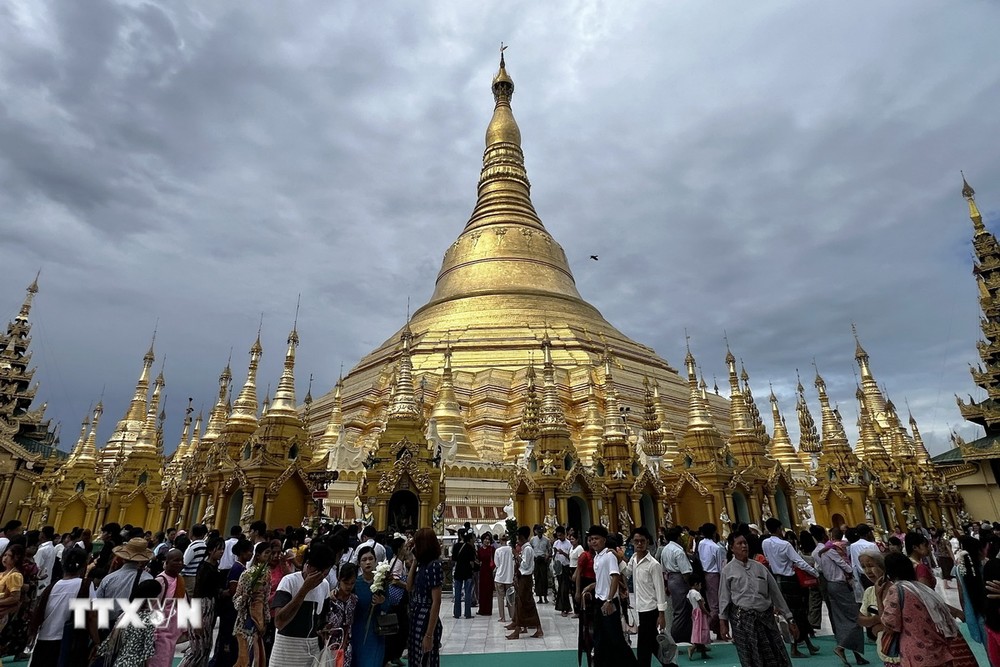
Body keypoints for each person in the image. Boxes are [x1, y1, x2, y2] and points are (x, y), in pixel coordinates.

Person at [878, 552, 977, 667]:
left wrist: (878, 596)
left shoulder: (896, 590)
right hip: (938, 651)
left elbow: (889, 626)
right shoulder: (922, 589)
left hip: (917, 654)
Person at [719, 533, 795, 667]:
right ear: (732, 548)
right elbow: (724, 598)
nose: (744, 546)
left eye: (745, 543)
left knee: (776, 654)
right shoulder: (727, 571)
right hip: (743, 622)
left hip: (766, 619)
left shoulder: (760, 568)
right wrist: (723, 623)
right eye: (739, 544)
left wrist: (789, 618)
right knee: (751, 658)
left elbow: (776, 594)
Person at [761, 518, 820, 657]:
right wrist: (815, 573)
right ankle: (794, 647)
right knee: (795, 613)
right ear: (778, 528)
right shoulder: (785, 545)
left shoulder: (765, 543)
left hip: (776, 579)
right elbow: (799, 561)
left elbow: (768, 559)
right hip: (790, 579)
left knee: (793, 612)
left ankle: (808, 643)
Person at [271, 542, 334, 666]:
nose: (321, 578)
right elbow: (279, 622)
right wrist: (304, 590)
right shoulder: (289, 582)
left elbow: (322, 619)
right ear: (308, 566)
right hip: (285, 652)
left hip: (311, 652)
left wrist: (325, 628)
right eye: (318, 572)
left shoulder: (325, 585)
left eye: (325, 574)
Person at [810, 525, 866, 665]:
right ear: (823, 535)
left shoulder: (815, 552)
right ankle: (841, 648)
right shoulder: (829, 550)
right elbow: (843, 564)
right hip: (840, 584)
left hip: (829, 585)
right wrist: (851, 571)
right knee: (855, 618)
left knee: (840, 620)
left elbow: (819, 569)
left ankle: (857, 655)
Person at [588, 524, 636, 666]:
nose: (593, 542)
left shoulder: (609, 556)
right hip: (599, 600)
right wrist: (591, 587)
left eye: (596, 539)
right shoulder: (596, 557)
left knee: (616, 638)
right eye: (591, 539)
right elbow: (603, 579)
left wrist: (609, 600)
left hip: (609, 602)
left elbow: (615, 577)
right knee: (600, 637)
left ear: (604, 540)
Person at [621, 526, 668, 667]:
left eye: (642, 541)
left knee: (643, 646)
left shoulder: (654, 565)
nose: (639, 544)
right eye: (636, 541)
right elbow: (628, 572)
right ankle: (669, 665)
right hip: (640, 607)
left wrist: (661, 614)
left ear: (648, 542)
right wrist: (617, 559)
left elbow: (660, 590)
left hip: (651, 608)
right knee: (652, 643)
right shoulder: (634, 559)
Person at [179, 535, 225, 667]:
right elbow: (198, 593)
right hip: (202, 607)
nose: (221, 552)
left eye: (223, 549)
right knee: (197, 650)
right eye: (218, 549)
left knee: (206, 647)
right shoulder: (204, 568)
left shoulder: (215, 567)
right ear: (210, 550)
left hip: (211, 608)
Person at [96, 579, 162, 667]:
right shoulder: (149, 618)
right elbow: (148, 650)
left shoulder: (125, 615)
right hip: (135, 663)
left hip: (120, 662)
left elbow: (107, 645)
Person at [212, 539, 253, 667]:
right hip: (231, 609)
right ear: (242, 552)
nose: (251, 554)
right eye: (249, 552)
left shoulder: (242, 567)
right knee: (228, 638)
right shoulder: (237, 568)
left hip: (235, 608)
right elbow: (233, 590)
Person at [406, 528, 443, 667]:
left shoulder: (434, 566)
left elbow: (436, 602)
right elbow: (409, 587)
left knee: (427, 659)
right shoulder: (422, 564)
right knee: (415, 658)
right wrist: (415, 562)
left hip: (427, 617)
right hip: (416, 616)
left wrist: (429, 635)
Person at [351, 546, 392, 667]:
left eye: (370, 559)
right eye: (364, 560)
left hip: (376, 632)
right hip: (357, 631)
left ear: (375, 561)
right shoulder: (355, 583)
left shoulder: (382, 583)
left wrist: (382, 601)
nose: (368, 562)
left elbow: (387, 607)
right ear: (359, 563)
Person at [234, 541, 272, 667]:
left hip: (259, 622)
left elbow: (265, 600)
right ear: (258, 555)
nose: (269, 556)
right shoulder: (247, 574)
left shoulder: (267, 575)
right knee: (244, 659)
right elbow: (236, 599)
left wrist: (265, 620)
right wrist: (245, 597)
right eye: (266, 553)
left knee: (257, 657)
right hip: (245, 621)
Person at [150, 548, 186, 667]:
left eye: (181, 560)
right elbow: (153, 608)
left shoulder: (179, 580)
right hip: (160, 633)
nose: (179, 563)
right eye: (176, 560)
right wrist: (153, 634)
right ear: (167, 562)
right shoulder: (161, 581)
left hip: (172, 632)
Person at [506, 525, 543, 640]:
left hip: (525, 578)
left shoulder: (527, 549)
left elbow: (525, 565)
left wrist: (517, 556)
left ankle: (518, 629)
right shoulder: (526, 548)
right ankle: (535, 627)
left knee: (523, 603)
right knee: (525, 602)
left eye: (518, 538)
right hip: (522, 578)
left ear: (522, 537)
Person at [660, 526, 693, 642]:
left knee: (681, 608)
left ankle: (687, 635)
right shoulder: (678, 551)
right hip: (679, 579)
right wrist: (690, 585)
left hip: (670, 579)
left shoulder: (665, 549)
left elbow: (663, 569)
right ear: (678, 537)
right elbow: (685, 572)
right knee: (682, 609)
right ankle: (675, 636)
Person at [324, 561, 358, 667]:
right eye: (346, 583)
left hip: (345, 644)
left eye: (352, 583)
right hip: (329, 643)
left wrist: (345, 644)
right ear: (339, 579)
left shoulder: (354, 600)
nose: (349, 586)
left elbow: (350, 622)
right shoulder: (330, 599)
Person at [452, 531, 475, 619]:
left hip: (458, 571)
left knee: (457, 593)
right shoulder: (470, 547)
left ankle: (457, 613)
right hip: (468, 572)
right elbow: (472, 562)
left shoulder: (456, 546)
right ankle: (467, 613)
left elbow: (453, 560)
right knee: (468, 593)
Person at [687, 578, 711, 660]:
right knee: (702, 631)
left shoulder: (690, 593)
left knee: (698, 631)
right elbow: (701, 605)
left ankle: (703, 652)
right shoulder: (696, 593)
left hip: (695, 612)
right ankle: (692, 648)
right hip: (700, 613)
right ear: (696, 584)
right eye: (700, 585)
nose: (700, 587)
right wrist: (708, 613)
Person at [493, 534, 514, 623]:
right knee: (511, 598)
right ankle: (512, 616)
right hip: (509, 577)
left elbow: (497, 564)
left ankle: (502, 617)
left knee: (500, 598)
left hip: (499, 577)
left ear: (500, 540)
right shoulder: (511, 550)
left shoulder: (498, 551)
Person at [552, 527, 572, 616]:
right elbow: (553, 555)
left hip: (566, 567)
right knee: (560, 588)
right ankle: (564, 607)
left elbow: (570, 558)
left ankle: (565, 608)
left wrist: (563, 552)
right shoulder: (556, 543)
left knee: (564, 589)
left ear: (564, 534)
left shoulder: (569, 544)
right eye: (558, 535)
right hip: (558, 567)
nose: (559, 537)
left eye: (560, 535)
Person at [530, 525, 551, 604]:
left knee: (544, 579)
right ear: (536, 532)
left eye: (541, 532)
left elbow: (550, 549)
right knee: (537, 578)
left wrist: (547, 557)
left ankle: (545, 597)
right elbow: (530, 549)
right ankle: (539, 597)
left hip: (543, 560)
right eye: (538, 532)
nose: (540, 533)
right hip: (536, 560)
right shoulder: (533, 540)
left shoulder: (546, 540)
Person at [476, 532, 496, 616]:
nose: (487, 540)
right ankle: (482, 609)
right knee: (482, 591)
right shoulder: (479, 549)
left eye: (488, 539)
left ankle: (488, 610)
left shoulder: (492, 549)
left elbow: (495, 559)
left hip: (489, 571)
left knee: (488, 590)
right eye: (485, 539)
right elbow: (477, 559)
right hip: (482, 571)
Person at [568, 533, 584, 617]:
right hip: (571, 569)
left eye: (573, 539)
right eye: (570, 539)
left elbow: (580, 562)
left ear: (577, 540)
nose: (571, 541)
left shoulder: (579, 548)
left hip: (576, 570)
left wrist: (576, 573)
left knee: (577, 590)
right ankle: (576, 610)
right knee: (572, 591)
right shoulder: (571, 548)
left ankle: (579, 610)